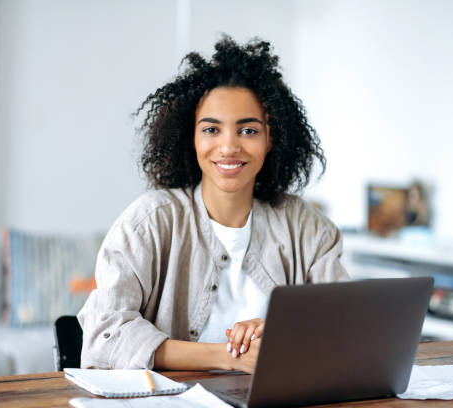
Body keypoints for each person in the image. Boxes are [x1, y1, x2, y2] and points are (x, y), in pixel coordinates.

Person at [78, 36, 349, 374]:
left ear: (271, 138)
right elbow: (104, 336)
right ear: (190, 137)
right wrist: (228, 356)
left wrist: (284, 335)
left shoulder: (308, 228)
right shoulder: (148, 222)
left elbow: (344, 329)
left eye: (248, 131)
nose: (228, 147)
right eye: (211, 129)